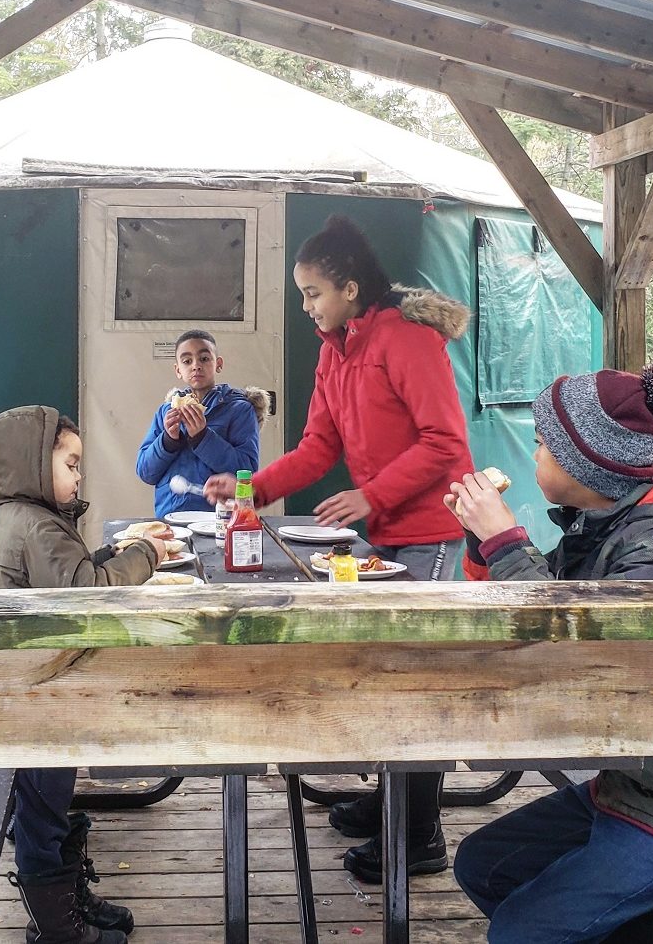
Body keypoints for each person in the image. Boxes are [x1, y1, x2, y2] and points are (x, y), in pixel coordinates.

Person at [447, 363, 653, 944]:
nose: (533, 456)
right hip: (640, 781)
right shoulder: (611, 520)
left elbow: (575, 654)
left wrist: (506, 538)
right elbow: (539, 601)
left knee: (522, 931)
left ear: (587, 462)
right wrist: (484, 542)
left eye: (541, 445)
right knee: (486, 863)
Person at [206, 214, 476, 883]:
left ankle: (419, 836)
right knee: (391, 670)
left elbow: (446, 445)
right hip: (384, 533)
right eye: (302, 295)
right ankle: (390, 799)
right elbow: (319, 449)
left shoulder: (408, 340)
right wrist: (254, 490)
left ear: (351, 288)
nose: (306, 308)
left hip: (432, 533)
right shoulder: (337, 350)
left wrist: (371, 497)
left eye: (313, 293)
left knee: (418, 682)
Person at [0, 404, 166, 944]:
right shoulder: (37, 525)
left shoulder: (28, 520)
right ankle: (60, 928)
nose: (79, 475)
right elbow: (95, 591)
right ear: (34, 465)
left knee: (51, 799)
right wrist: (147, 554)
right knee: (41, 808)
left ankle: (69, 901)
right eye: (71, 464)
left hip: (35, 688)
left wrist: (119, 550)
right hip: (35, 699)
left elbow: (72, 574)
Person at [136, 329, 265, 519]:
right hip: (170, 516)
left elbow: (246, 472)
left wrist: (202, 438)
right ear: (178, 370)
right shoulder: (166, 411)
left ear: (218, 364)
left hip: (219, 517)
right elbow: (145, 472)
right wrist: (167, 441)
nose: (196, 366)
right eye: (187, 361)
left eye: (204, 359)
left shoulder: (239, 410)